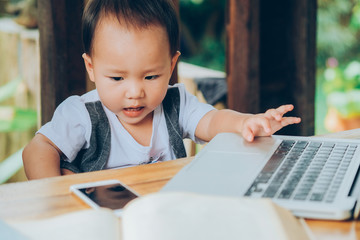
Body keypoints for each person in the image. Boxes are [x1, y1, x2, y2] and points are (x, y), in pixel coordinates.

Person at [22, 0, 301, 180]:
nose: (135, 92)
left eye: (151, 76)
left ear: (171, 65)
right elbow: (38, 149)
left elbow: (213, 121)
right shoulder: (82, 114)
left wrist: (245, 122)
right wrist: (57, 194)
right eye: (117, 78)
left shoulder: (175, 103)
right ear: (91, 68)